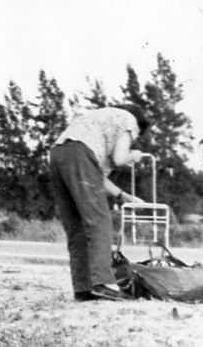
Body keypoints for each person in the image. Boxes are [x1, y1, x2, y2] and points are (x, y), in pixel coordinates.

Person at [49, 104, 150, 302]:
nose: (130, 140)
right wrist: (133, 155)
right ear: (138, 127)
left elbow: (95, 178)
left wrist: (124, 196)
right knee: (100, 221)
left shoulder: (98, 122)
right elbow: (120, 158)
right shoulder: (128, 120)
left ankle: (83, 288)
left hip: (58, 154)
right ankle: (102, 283)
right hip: (80, 155)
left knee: (77, 226)